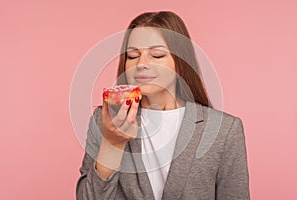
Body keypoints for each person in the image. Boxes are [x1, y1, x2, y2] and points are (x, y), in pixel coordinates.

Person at [76, 11, 250, 200]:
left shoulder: (225, 130)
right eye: (133, 56)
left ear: (180, 61)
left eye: (157, 55)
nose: (141, 64)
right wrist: (112, 143)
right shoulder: (105, 120)